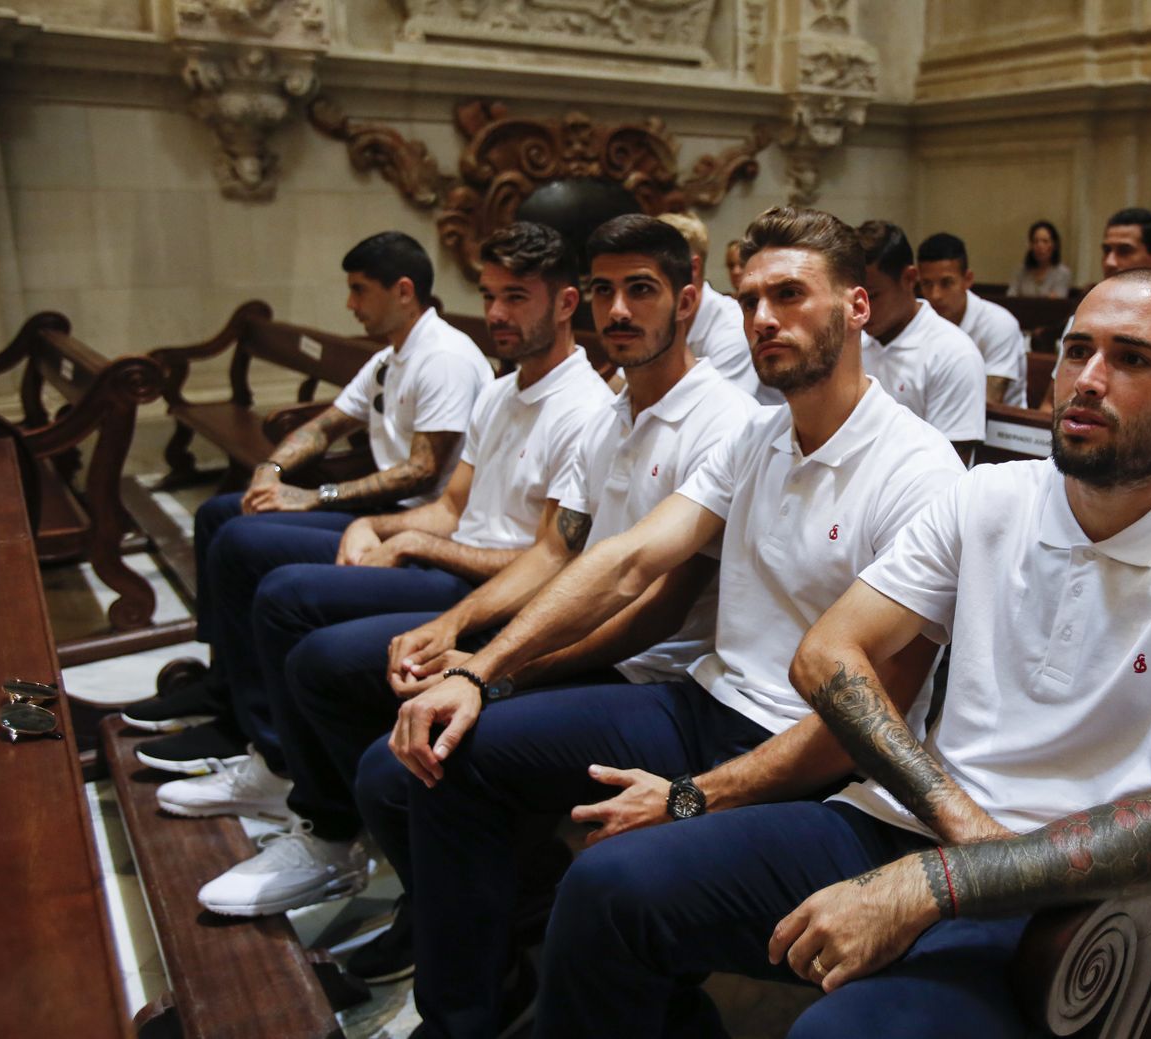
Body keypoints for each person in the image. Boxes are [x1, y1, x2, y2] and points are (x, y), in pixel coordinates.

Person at [527, 268, 1151, 1039]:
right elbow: (827, 654)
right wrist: (952, 829)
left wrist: (946, 879)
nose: (1087, 378)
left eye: (1133, 358)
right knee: (610, 885)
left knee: (841, 1032)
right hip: (907, 820)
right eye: (1078, 350)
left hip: (1073, 897)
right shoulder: (989, 496)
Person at [353, 206, 964, 1037]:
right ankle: (468, 1014)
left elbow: (869, 715)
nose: (763, 320)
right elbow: (629, 558)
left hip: (808, 756)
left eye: (790, 295)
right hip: (700, 704)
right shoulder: (759, 437)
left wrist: (689, 797)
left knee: (617, 883)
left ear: (857, 307)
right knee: (449, 751)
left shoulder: (919, 469)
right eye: (750, 300)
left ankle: (630, 1003)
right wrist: (476, 668)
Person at [156, 221, 615, 917]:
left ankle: (326, 823)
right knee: (270, 573)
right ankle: (315, 802)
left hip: (497, 594)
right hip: (458, 567)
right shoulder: (501, 391)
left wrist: (417, 545)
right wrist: (376, 524)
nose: (496, 314)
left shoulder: (584, 409)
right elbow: (450, 505)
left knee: (292, 608)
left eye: (516, 297)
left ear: (565, 304)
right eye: (489, 295)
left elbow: (549, 560)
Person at [123, 231, 494, 773]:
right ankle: (223, 681)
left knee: (245, 543)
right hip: (386, 511)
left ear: (404, 291)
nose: (351, 305)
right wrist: (271, 471)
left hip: (421, 523)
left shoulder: (444, 359)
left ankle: (252, 727)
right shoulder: (392, 356)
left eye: (360, 290)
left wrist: (312, 495)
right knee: (222, 512)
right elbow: (327, 424)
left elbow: (422, 471)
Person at [856, 219, 986, 457]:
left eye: (872, 296)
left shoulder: (953, 353)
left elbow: (950, 466)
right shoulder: (853, 343)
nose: (861, 310)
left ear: (909, 278)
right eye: (853, 298)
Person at [1039, 207, 1151, 411]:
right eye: (1106, 250)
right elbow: (1051, 403)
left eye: (1124, 251)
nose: (1110, 262)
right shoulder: (1083, 319)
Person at [656, 211, 760, 397]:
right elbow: (621, 388)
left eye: (654, 265)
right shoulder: (652, 317)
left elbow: (720, 411)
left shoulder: (734, 326)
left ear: (692, 268)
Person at [917, 232, 1027, 406]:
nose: (935, 295)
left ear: (967, 279)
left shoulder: (999, 324)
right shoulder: (920, 321)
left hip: (999, 427)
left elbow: (990, 401)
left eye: (946, 283)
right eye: (926, 284)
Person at [1006, 219, 1072, 298]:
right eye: (1035, 241)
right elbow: (1011, 296)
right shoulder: (1021, 271)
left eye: (1045, 241)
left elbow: (1058, 299)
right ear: (1030, 245)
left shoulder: (1062, 273)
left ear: (1054, 245)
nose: (1040, 246)